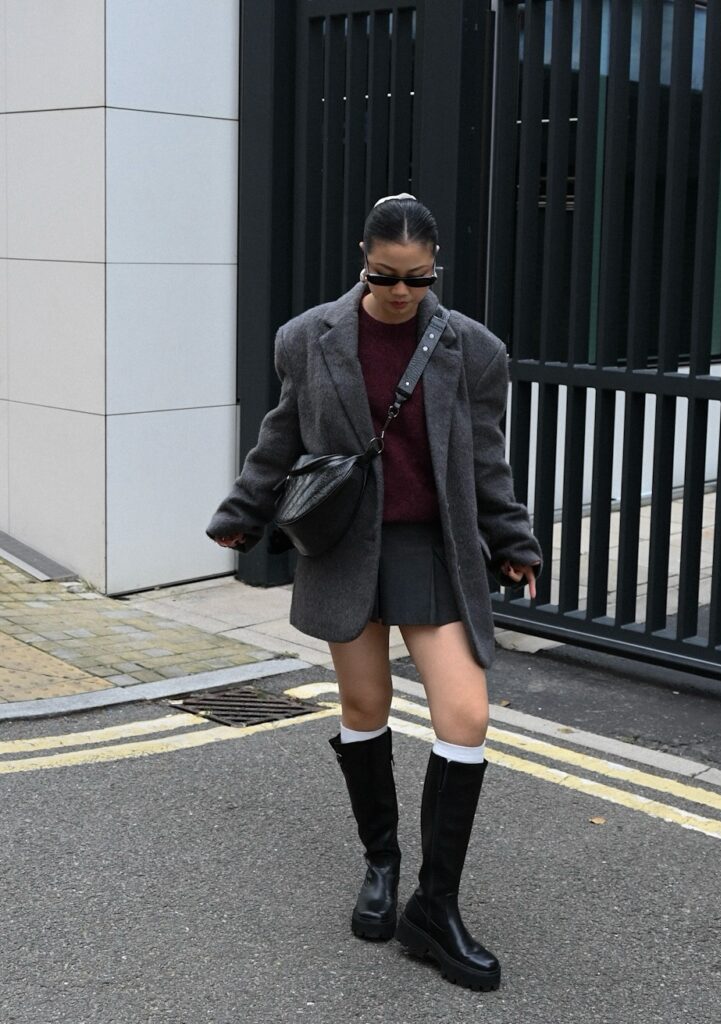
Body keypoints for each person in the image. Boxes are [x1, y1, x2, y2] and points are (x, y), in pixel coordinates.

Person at [207, 194, 542, 992]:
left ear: (434, 268)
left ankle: (435, 907)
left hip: (431, 549)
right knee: (365, 707)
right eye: (384, 276)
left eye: (417, 279)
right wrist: (244, 510)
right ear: (363, 258)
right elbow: (282, 436)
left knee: (466, 715)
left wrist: (514, 541)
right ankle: (382, 865)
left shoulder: (473, 350)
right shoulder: (308, 338)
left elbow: (486, 460)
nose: (400, 292)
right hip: (344, 545)